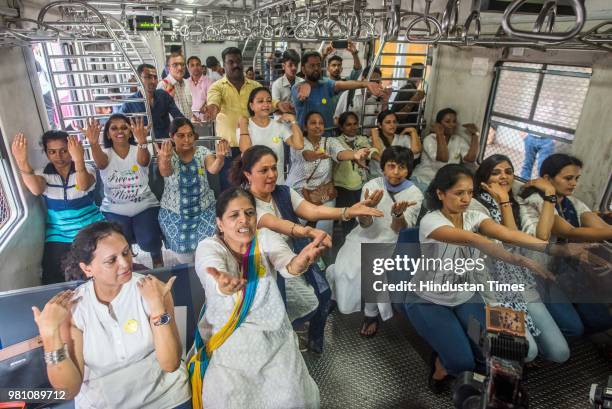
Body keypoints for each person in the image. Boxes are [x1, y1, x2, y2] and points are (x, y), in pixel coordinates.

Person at [405, 164, 555, 393]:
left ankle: (451, 346)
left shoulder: (473, 216)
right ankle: (439, 366)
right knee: (461, 362)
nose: (466, 199)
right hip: (428, 300)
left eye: (470, 192)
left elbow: (507, 233)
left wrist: (547, 248)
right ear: (440, 194)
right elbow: (474, 240)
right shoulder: (431, 221)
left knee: (488, 350)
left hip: (465, 296)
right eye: (459, 193)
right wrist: (518, 259)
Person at [229, 145, 384, 353]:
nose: (272, 175)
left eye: (274, 168)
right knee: (292, 307)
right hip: (266, 266)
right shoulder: (244, 203)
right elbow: (272, 222)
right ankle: (285, 340)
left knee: (323, 293)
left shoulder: (282, 192)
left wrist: (349, 211)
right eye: (263, 170)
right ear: (248, 174)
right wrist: (306, 232)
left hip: (296, 253)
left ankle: (310, 342)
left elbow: (313, 211)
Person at [32, 221, 191, 408]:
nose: (125, 264)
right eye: (111, 260)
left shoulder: (151, 290)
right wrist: (50, 335)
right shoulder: (75, 308)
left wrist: (157, 308)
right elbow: (69, 389)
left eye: (126, 252)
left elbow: (170, 363)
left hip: (166, 399)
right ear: (87, 269)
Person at [190, 188, 321, 408]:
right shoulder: (209, 247)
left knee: (294, 399)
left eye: (250, 213)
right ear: (220, 224)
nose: (244, 220)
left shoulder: (265, 238)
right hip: (231, 342)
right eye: (234, 215)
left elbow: (286, 263)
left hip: (275, 340)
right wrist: (222, 285)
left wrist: (299, 262)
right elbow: (209, 268)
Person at [471, 154, 583, 363]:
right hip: (489, 281)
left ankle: (517, 348)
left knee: (560, 353)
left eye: (508, 172)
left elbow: (541, 237)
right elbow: (508, 242)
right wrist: (503, 200)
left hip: (519, 280)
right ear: (484, 179)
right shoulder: (475, 206)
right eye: (496, 173)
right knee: (526, 351)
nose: (504, 177)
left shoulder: (518, 205)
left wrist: (549, 194)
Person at [327, 146, 423, 337]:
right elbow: (364, 224)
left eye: (402, 167)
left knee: (373, 273)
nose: (396, 172)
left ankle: (371, 314)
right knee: (344, 269)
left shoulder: (414, 194)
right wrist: (368, 208)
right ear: (383, 167)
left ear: (409, 169)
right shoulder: (371, 186)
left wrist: (398, 214)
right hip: (364, 235)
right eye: (391, 166)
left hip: (389, 239)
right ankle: (337, 297)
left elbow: (401, 230)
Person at [520, 153, 612, 337]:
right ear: (547, 179)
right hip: (539, 274)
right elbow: (569, 232)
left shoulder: (573, 203)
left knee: (602, 320)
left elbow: (600, 227)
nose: (574, 184)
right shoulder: (535, 201)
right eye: (568, 178)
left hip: (566, 272)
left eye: (577, 178)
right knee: (574, 328)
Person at [11, 131, 104, 284]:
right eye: (52, 152)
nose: (58, 156)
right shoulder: (43, 174)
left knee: (98, 268)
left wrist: (78, 159)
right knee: (52, 275)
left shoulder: (86, 168)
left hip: (92, 228)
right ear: (46, 153)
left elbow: (83, 185)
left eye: (64, 151)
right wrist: (22, 161)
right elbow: (36, 189)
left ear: (72, 150)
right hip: (59, 232)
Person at [203, 47, 292, 192]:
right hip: (229, 150)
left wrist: (278, 105)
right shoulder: (217, 87)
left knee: (255, 190)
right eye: (230, 62)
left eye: (238, 61)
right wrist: (211, 110)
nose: (235, 65)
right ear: (224, 65)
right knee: (231, 192)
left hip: (252, 147)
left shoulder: (255, 85)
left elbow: (267, 101)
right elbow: (214, 103)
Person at [83, 114, 164, 268]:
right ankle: (127, 265)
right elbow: (101, 164)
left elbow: (144, 161)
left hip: (144, 205)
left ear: (131, 131)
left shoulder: (139, 149)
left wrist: (142, 142)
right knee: (119, 242)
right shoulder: (105, 153)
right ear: (108, 134)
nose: (119, 131)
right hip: (115, 208)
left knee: (148, 241)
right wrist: (93, 143)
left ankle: (157, 258)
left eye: (124, 127)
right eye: (114, 128)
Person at [285, 111, 372, 237]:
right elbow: (306, 155)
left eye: (321, 123)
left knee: (324, 233)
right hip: (298, 192)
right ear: (305, 127)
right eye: (313, 123)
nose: (317, 126)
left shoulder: (329, 142)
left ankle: (323, 255)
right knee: (295, 230)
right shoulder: (298, 142)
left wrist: (354, 154)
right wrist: (316, 155)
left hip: (323, 193)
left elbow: (341, 153)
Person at [155, 118, 229, 264]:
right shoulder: (167, 154)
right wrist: (164, 159)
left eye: (190, 135)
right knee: (185, 258)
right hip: (174, 213)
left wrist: (220, 158)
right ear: (172, 136)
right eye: (181, 136)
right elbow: (166, 172)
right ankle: (190, 276)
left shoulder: (202, 151)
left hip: (204, 210)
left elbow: (213, 168)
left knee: (207, 250)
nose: (187, 140)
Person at [291, 51, 384, 136]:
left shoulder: (325, 84)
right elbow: (302, 93)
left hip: (328, 139)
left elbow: (340, 84)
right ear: (303, 69)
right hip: (306, 139)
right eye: (312, 66)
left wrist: (365, 84)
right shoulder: (297, 88)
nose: (316, 68)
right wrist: (306, 87)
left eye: (318, 65)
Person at [238, 87, 304, 184]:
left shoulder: (278, 125)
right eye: (260, 101)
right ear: (252, 106)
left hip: (277, 182)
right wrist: (243, 124)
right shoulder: (246, 125)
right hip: (255, 185)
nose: (266, 104)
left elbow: (299, 145)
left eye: (269, 101)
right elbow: (246, 151)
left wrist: (293, 121)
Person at [333, 111, 380, 236]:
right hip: (342, 186)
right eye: (348, 125)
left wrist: (378, 157)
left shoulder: (362, 139)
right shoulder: (335, 142)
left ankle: (357, 242)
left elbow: (372, 151)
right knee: (348, 219)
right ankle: (346, 244)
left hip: (361, 184)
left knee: (361, 217)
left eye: (355, 124)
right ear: (341, 127)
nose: (353, 127)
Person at [411, 108, 480, 190]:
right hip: (424, 179)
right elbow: (443, 158)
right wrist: (439, 133)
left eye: (454, 122)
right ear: (439, 124)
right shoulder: (430, 139)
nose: (452, 125)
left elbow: (470, 159)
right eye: (448, 122)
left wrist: (475, 135)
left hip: (445, 183)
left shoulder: (458, 140)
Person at [120, 63, 185, 139]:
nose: (153, 81)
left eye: (155, 77)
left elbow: (178, 117)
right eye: (148, 77)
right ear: (138, 79)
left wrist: (189, 130)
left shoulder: (163, 96)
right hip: (144, 145)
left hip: (166, 144)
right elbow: (120, 125)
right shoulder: (130, 103)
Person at [334, 66, 389, 131]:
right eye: (371, 81)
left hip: (368, 139)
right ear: (363, 79)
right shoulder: (348, 95)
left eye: (377, 82)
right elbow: (336, 119)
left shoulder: (379, 99)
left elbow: (383, 121)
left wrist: (385, 101)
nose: (374, 85)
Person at [370, 110, 422, 178]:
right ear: (380, 125)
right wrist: (374, 134)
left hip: (398, 178)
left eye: (394, 122)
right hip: (377, 178)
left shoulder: (404, 138)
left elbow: (416, 151)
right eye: (388, 122)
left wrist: (413, 131)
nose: (392, 125)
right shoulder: (373, 140)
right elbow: (382, 156)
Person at [159, 53, 193, 118]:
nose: (180, 68)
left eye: (182, 64)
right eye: (175, 65)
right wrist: (169, 98)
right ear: (168, 68)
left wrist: (193, 116)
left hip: (187, 125)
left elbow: (188, 108)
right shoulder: (163, 85)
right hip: (172, 127)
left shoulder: (187, 83)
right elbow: (160, 114)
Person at [186, 56, 215, 121]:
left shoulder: (210, 81)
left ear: (201, 67)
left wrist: (206, 105)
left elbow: (212, 98)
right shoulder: (186, 83)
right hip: (190, 119)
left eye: (197, 64)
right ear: (188, 68)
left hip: (206, 118)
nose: (195, 67)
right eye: (192, 65)